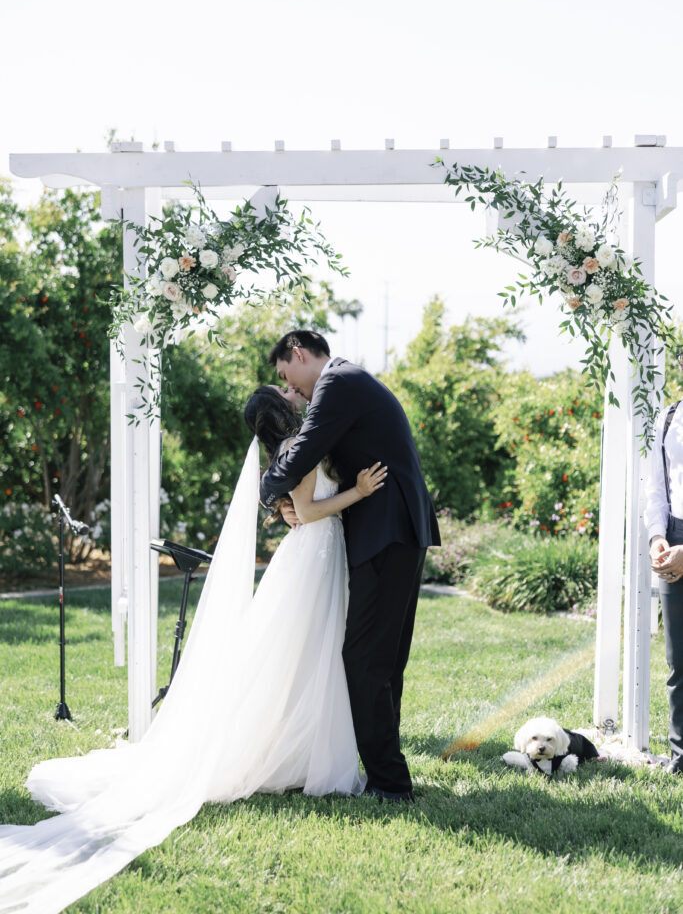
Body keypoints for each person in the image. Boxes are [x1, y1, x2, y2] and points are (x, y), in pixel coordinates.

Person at [0, 385, 385, 914]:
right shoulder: (297, 451)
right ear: (280, 413)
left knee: (310, 656)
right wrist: (358, 493)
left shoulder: (299, 445)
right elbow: (310, 511)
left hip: (319, 557)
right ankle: (293, 753)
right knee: (297, 653)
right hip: (312, 558)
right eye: (286, 397)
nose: (297, 399)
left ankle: (302, 748)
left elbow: (299, 506)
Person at [260, 330, 440, 802]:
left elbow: (301, 453)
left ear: (298, 353)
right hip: (394, 530)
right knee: (383, 659)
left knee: (364, 659)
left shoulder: (337, 383)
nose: (291, 389)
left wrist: (269, 493)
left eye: (286, 375)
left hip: (386, 531)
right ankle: (388, 773)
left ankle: (390, 783)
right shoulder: (346, 382)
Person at [645, 353, 683, 774]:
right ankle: (681, 759)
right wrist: (658, 537)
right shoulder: (669, 418)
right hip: (673, 536)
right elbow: (655, 487)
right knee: (679, 662)